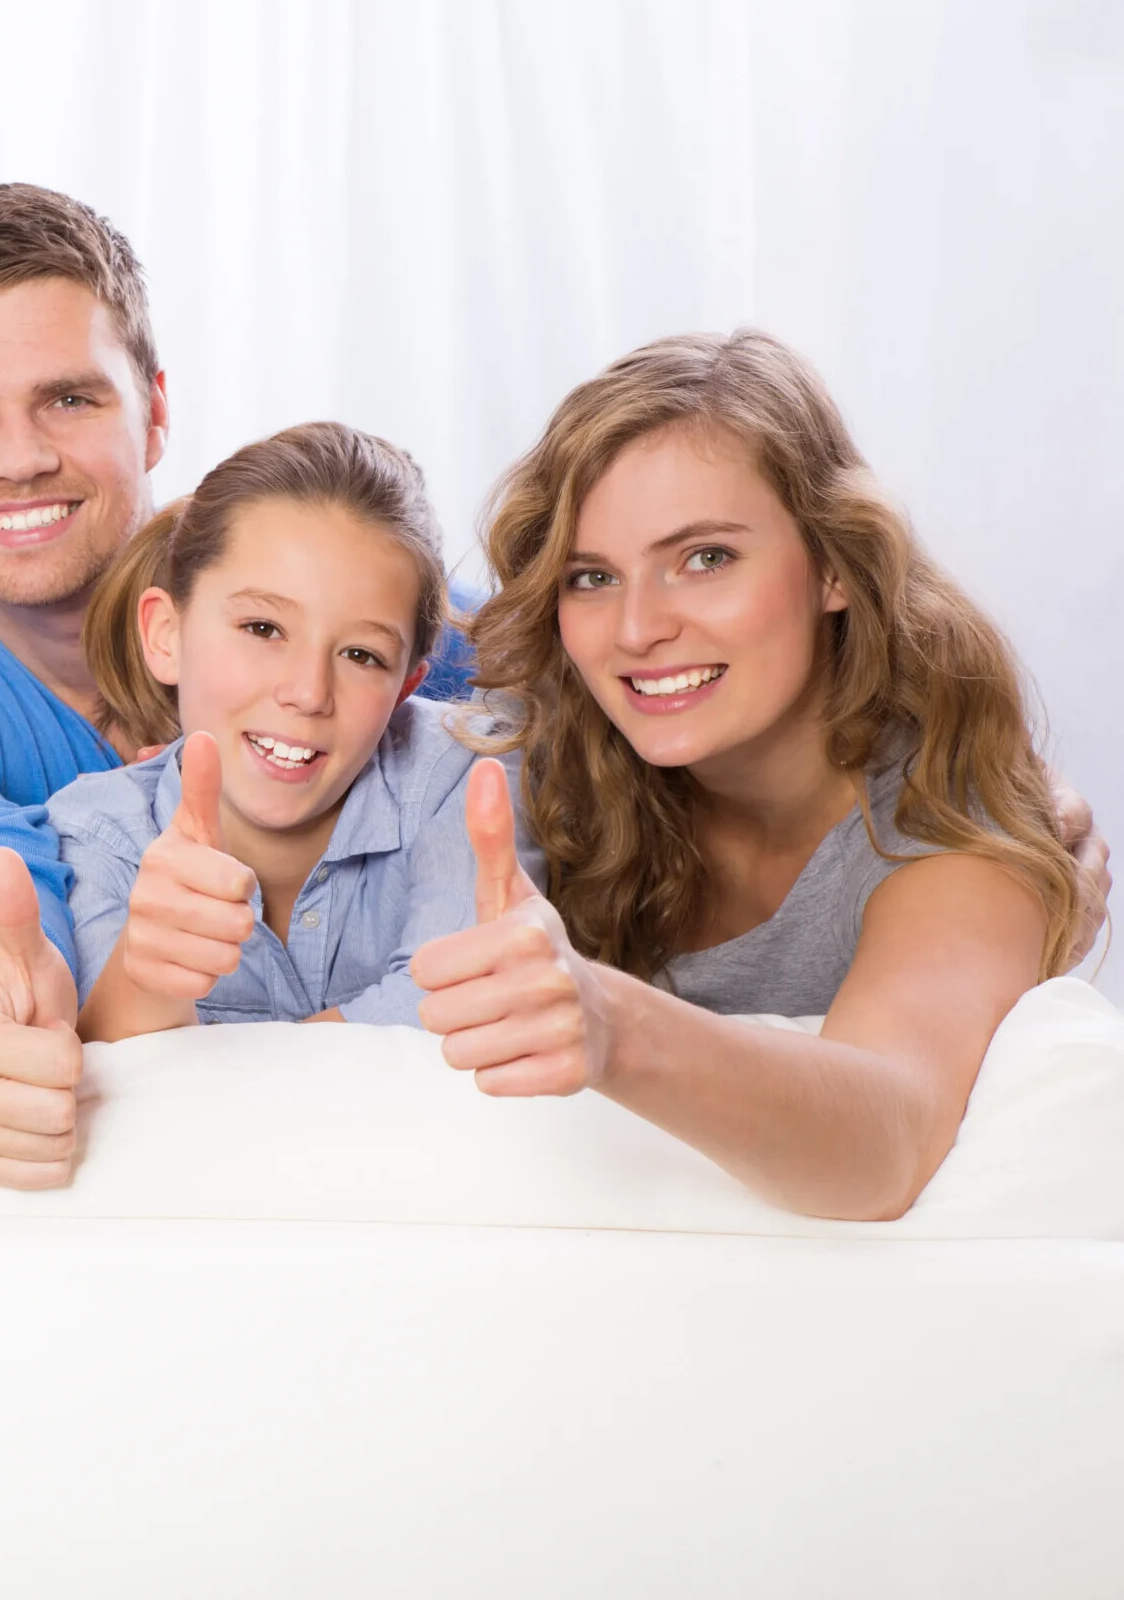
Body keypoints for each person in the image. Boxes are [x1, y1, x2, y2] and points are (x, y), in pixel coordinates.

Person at [0, 182, 484, 1183]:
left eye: (69, 397)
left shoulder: (327, 578)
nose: (18, 459)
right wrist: (27, 1025)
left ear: (153, 413)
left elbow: (566, 702)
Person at [413, 329, 1096, 1220]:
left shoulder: (950, 818)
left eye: (706, 557)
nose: (637, 628)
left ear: (834, 568)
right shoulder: (532, 752)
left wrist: (610, 1021)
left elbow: (889, 1138)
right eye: (591, 576)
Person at [54, 423, 486, 1040]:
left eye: (362, 656)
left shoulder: (466, 774)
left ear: (405, 689)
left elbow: (454, 997)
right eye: (262, 629)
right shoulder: (98, 834)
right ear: (165, 636)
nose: (308, 693)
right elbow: (131, 1089)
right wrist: (146, 979)